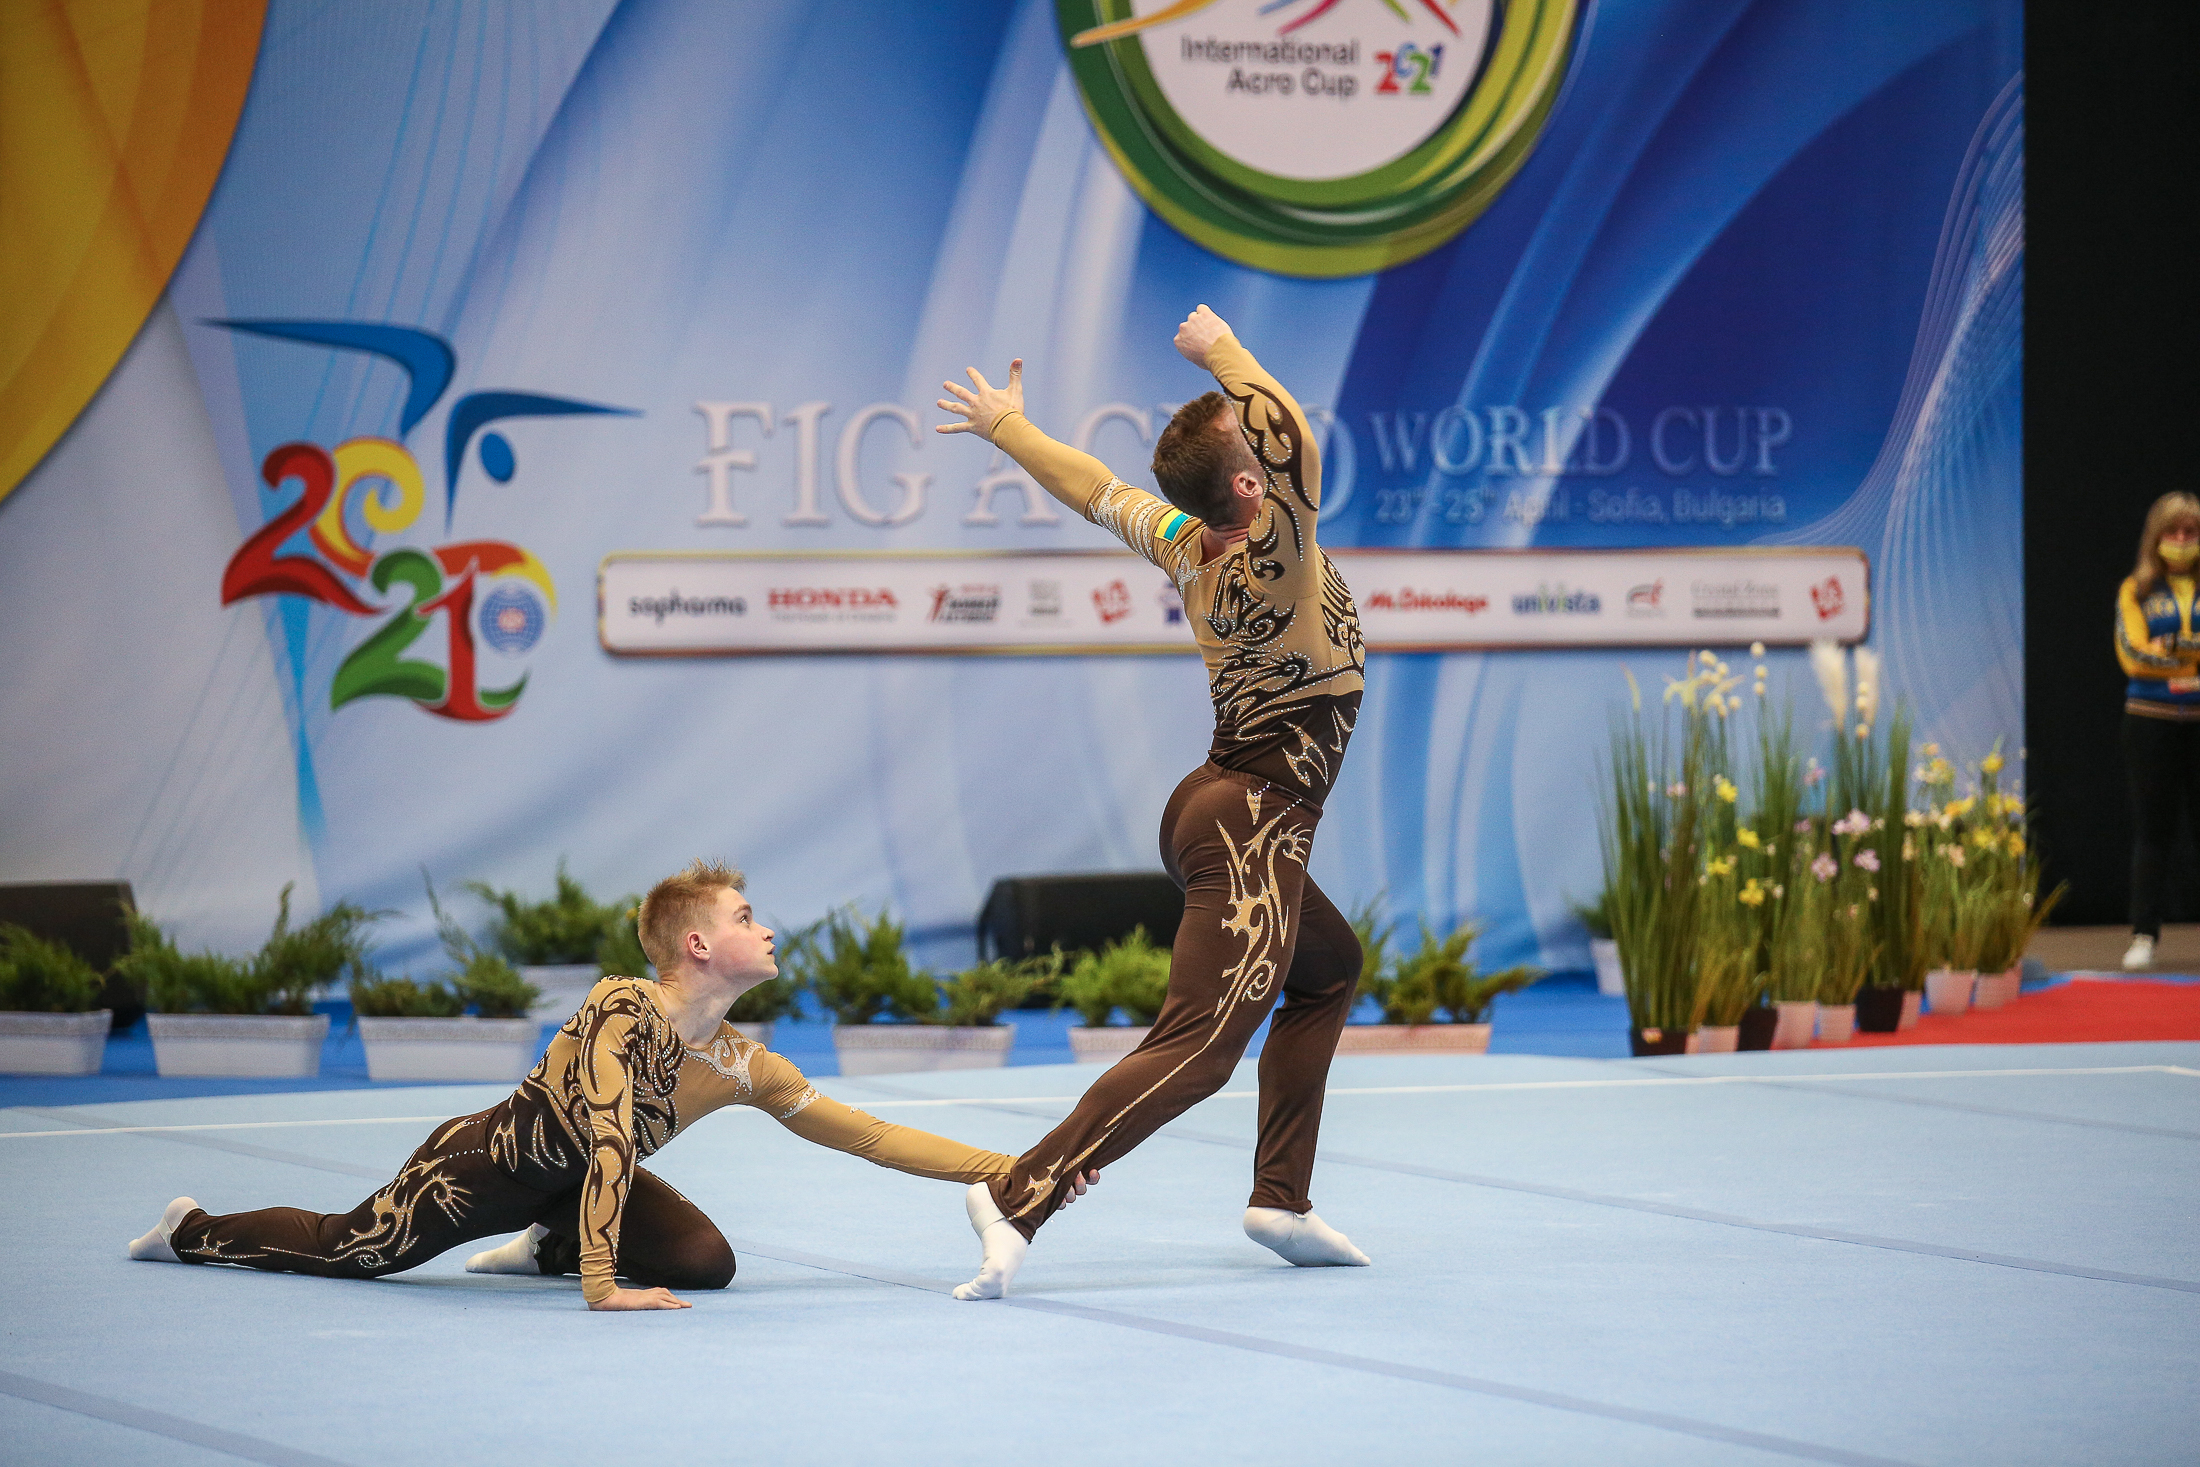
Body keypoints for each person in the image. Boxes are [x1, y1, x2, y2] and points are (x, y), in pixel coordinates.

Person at [126, 859, 1091, 1309]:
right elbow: (612, 1137)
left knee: (707, 1262)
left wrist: (1019, 1167)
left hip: (581, 1185)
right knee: (353, 1250)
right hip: (483, 1166)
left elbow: (871, 1135)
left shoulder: (747, 1064)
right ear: (697, 943)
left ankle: (545, 1243)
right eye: (747, 916)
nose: (767, 928)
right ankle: (191, 1229)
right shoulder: (619, 1005)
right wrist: (601, 1288)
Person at [933, 305, 1369, 1300]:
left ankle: (1281, 1199)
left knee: (1328, 970)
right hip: (1252, 822)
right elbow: (1299, 444)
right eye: (1253, 446)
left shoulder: (1188, 543)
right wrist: (1222, 353)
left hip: (1221, 807)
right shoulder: (1275, 561)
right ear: (1251, 488)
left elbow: (1095, 490)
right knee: (1199, 1048)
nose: (1269, 444)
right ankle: (1016, 1195)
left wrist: (1009, 428)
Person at [2115, 492, 2200, 970]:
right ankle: (2144, 935)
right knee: (2152, 832)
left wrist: (2167, 646)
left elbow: (2155, 651)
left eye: (2191, 532)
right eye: (2173, 531)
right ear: (2157, 537)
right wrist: (2188, 655)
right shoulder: (2136, 590)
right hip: (2149, 722)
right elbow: (2133, 655)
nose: (2182, 540)